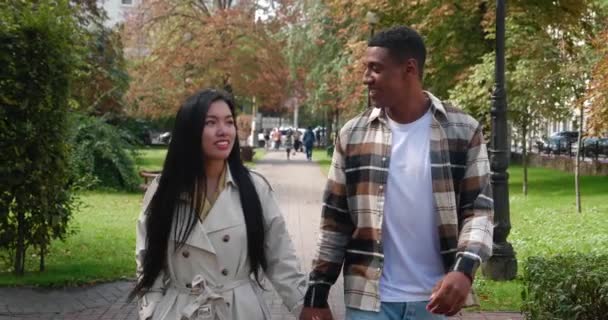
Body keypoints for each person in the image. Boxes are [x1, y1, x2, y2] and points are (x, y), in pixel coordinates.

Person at [300, 26, 494, 320]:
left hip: (437, 302)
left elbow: (479, 211)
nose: (366, 78)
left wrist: (464, 270)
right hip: (369, 303)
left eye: (375, 69)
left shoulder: (462, 130)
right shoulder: (353, 135)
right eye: (366, 68)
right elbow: (334, 223)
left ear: (409, 69)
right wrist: (317, 292)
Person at [129, 89, 307, 320]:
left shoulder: (254, 188)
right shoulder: (164, 190)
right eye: (210, 122)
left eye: (229, 122)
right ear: (189, 130)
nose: (223, 131)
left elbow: (280, 258)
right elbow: (147, 258)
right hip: (179, 310)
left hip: (240, 310)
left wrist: (305, 306)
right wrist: (151, 312)